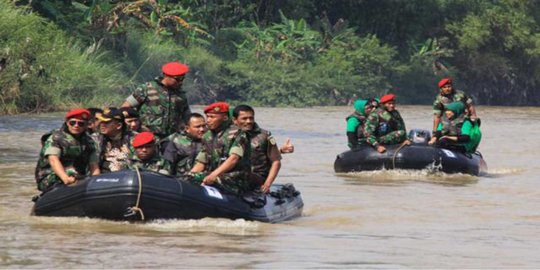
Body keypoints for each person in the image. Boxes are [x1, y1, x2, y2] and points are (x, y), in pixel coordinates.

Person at [190, 102, 251, 195]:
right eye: (207, 117)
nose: (208, 120)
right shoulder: (207, 136)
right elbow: (201, 162)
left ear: (225, 118)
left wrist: (213, 175)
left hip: (235, 178)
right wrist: (189, 176)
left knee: (215, 180)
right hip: (213, 175)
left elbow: (233, 159)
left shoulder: (237, 133)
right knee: (191, 177)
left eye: (212, 117)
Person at [35, 109, 100, 192]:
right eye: (72, 122)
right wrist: (65, 178)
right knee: (70, 172)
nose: (76, 126)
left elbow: (94, 165)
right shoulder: (56, 138)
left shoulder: (89, 141)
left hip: (78, 176)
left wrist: (96, 181)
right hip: (50, 177)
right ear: (67, 122)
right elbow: (53, 160)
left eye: (81, 123)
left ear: (86, 125)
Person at [121, 61, 191, 139]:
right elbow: (125, 107)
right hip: (147, 136)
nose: (180, 82)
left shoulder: (181, 95)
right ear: (166, 76)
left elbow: (187, 117)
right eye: (177, 79)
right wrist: (135, 124)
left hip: (171, 138)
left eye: (182, 79)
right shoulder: (147, 88)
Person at [232, 105, 284, 193]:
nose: (248, 121)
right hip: (233, 174)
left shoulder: (265, 136)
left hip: (256, 177)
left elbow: (276, 162)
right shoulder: (229, 135)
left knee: (242, 174)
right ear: (235, 120)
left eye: (251, 118)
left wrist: (267, 184)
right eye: (244, 119)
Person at [94, 107, 135, 173]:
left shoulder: (134, 139)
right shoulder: (96, 138)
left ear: (118, 125)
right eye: (101, 121)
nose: (102, 125)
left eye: (106, 122)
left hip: (127, 175)